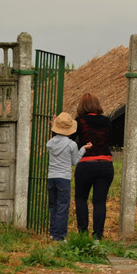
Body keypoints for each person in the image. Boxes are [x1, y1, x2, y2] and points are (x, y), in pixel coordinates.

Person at [72, 93, 114, 240]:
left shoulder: (80, 121)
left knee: (81, 199)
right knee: (99, 202)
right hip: (105, 164)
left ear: (82, 106)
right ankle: (98, 236)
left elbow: (69, 139)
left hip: (86, 164)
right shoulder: (106, 121)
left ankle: (82, 233)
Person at [47, 112, 92, 241]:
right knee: (63, 206)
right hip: (63, 178)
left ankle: (53, 232)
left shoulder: (50, 143)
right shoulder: (72, 145)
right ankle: (60, 236)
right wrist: (83, 149)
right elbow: (74, 161)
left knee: (53, 206)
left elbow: (57, 141)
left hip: (51, 177)